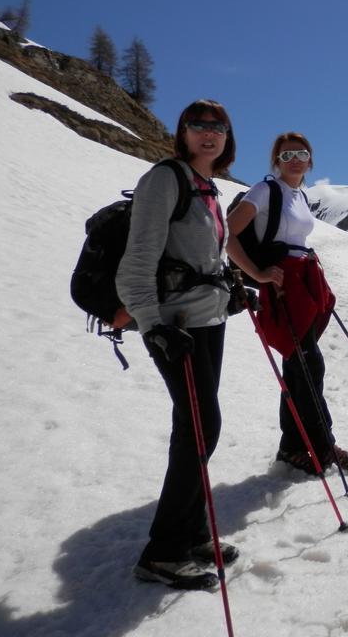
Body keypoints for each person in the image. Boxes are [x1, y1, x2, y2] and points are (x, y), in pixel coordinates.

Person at [116, 100, 240, 591]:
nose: (208, 134)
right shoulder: (165, 179)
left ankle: (188, 534)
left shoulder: (208, 187)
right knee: (200, 424)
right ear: (182, 132)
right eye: (198, 125)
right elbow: (137, 262)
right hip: (176, 325)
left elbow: (203, 256)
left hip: (207, 320)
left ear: (228, 138)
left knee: (196, 427)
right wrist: (152, 324)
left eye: (218, 127)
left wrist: (231, 292)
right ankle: (162, 552)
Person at [226, 131, 348, 477]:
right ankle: (322, 445)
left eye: (301, 153)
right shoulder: (266, 190)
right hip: (284, 286)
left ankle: (292, 447)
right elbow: (227, 234)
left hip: (301, 281)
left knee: (298, 364)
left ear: (310, 159)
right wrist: (256, 271)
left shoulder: (298, 195)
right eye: (287, 156)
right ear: (276, 161)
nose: (295, 160)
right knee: (308, 364)